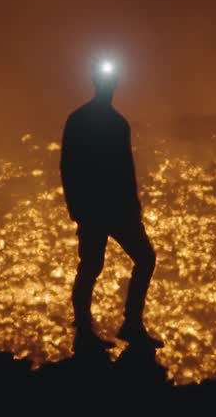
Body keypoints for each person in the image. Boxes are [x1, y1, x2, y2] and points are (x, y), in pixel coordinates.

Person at [60, 58, 163, 352]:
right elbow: (76, 165)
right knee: (134, 260)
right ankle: (115, 326)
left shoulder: (84, 120)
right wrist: (130, 205)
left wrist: (77, 206)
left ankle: (90, 331)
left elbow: (70, 165)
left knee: (95, 266)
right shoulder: (111, 123)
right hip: (107, 208)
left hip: (102, 208)